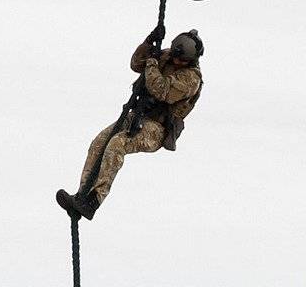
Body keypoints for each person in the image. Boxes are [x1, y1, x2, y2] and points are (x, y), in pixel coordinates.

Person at [57, 27, 204, 220]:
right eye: (175, 57)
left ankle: (94, 200)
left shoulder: (191, 79)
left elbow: (161, 90)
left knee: (118, 144)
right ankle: (82, 195)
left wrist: (152, 62)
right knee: (99, 142)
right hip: (137, 114)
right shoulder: (168, 56)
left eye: (181, 61)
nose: (176, 62)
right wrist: (148, 44)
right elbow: (136, 64)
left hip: (157, 129)